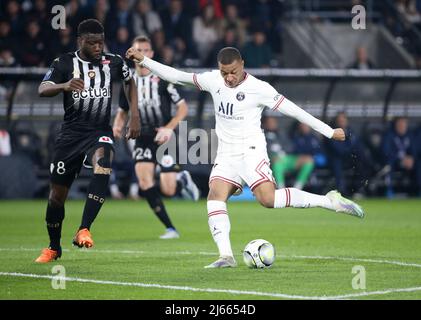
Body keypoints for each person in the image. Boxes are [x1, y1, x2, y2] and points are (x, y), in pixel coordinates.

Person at [125, 46, 364, 268]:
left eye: (233, 72)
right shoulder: (213, 79)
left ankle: (329, 201)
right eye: (224, 72)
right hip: (226, 154)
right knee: (215, 195)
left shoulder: (259, 88)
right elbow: (177, 76)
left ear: (243, 65)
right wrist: (144, 60)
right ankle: (226, 256)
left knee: (267, 200)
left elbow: (294, 110)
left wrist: (329, 131)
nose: (228, 77)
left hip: (251, 152)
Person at [35, 19, 140, 263]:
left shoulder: (113, 61)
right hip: (70, 136)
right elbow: (42, 89)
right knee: (56, 196)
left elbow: (129, 81)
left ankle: (84, 228)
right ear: (79, 41)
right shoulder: (63, 63)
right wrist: (64, 85)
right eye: (91, 42)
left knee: (104, 163)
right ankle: (53, 247)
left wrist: (135, 115)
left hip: (98, 132)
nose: (97, 47)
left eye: (100, 42)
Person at [113, 35, 200, 240]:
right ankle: (171, 228)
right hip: (141, 135)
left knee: (168, 190)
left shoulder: (162, 79)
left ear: (151, 54)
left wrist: (169, 128)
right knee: (144, 182)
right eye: (138, 50)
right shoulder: (128, 82)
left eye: (146, 50)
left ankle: (181, 180)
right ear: (131, 54)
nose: (142, 54)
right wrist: (118, 124)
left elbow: (183, 108)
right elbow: (122, 110)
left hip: (163, 135)